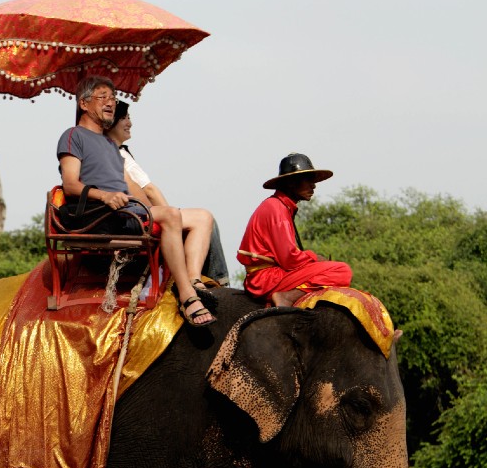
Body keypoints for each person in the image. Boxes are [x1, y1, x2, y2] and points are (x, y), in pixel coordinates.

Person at [57, 75, 216, 326]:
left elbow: (129, 187)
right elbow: (70, 183)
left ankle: (191, 279)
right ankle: (187, 296)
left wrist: (156, 209)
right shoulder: (73, 135)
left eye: (113, 97)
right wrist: (105, 195)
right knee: (170, 216)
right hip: (99, 214)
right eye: (102, 97)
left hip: (125, 211)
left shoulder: (110, 146)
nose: (110, 102)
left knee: (193, 215)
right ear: (84, 104)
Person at [104, 100, 229, 287]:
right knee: (204, 218)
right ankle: (200, 278)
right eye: (123, 118)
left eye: (129, 118)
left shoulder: (113, 153)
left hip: (138, 212)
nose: (129, 123)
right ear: (110, 124)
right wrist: (171, 214)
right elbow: (149, 190)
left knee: (199, 219)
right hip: (139, 214)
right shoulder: (117, 155)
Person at [237, 152, 352, 307]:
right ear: (291, 182)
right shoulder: (276, 208)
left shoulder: (280, 206)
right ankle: (287, 297)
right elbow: (290, 260)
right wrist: (315, 257)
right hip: (266, 280)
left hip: (271, 276)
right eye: (309, 180)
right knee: (341, 270)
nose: (314, 186)